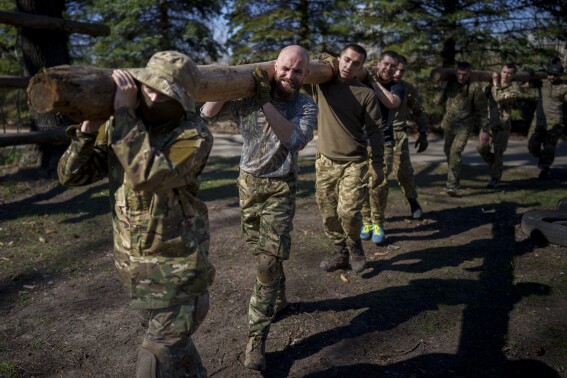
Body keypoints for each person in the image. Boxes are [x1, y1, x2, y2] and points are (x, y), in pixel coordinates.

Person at [57, 51, 215, 377]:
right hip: (136, 273)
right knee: (178, 357)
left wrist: (124, 114)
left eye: (165, 90)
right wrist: (89, 128)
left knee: (154, 362)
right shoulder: (123, 125)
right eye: (149, 86)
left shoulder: (193, 135)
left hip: (178, 276)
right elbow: (71, 175)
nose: (154, 95)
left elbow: (149, 175)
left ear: (182, 98)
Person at [200, 45, 317, 372]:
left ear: (305, 74)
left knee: (266, 261)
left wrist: (266, 100)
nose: (290, 76)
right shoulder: (248, 99)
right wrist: (230, 82)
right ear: (274, 67)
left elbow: (293, 141)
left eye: (297, 71)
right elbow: (207, 114)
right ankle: (278, 298)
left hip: (281, 187)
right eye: (285, 68)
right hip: (248, 185)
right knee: (262, 253)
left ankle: (256, 337)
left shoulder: (305, 106)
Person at [305, 43, 385, 273]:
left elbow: (375, 132)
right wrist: (325, 59)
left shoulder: (366, 94)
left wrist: (377, 164)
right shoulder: (322, 84)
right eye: (346, 59)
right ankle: (340, 253)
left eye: (356, 63)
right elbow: (305, 62)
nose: (349, 66)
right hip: (325, 161)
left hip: (354, 162)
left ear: (361, 66)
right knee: (328, 214)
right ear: (339, 58)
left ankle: (355, 247)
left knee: (348, 212)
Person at [360, 50, 404, 245]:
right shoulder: (363, 78)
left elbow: (392, 102)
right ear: (378, 63)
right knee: (361, 184)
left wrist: (374, 83)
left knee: (379, 185)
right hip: (360, 141)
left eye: (392, 66)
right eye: (385, 64)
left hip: (383, 142)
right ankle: (366, 222)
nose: (388, 68)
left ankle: (378, 223)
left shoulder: (397, 86)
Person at [435, 61, 489, 196]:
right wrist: (442, 88)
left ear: (469, 74)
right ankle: (454, 178)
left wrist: (485, 130)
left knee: (455, 152)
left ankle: (452, 185)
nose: (461, 77)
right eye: (459, 74)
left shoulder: (475, 88)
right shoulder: (450, 84)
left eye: (464, 75)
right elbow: (437, 102)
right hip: (449, 124)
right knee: (448, 151)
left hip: (464, 126)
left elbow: (482, 111)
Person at [476, 63, 520, 188]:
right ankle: (495, 165)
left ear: (513, 75)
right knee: (481, 148)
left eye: (509, 73)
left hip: (502, 125)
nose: (506, 75)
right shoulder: (491, 84)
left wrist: (495, 83)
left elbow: (499, 98)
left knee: (498, 152)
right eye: (504, 72)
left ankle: (495, 178)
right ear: (501, 71)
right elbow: (481, 96)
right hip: (488, 124)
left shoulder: (514, 88)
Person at [527, 62, 567, 180]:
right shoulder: (541, 83)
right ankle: (543, 159)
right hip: (538, 120)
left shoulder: (564, 87)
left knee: (549, 148)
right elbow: (524, 85)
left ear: (559, 75)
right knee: (532, 146)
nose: (551, 77)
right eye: (549, 74)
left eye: (555, 75)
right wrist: (529, 74)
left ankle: (544, 169)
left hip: (555, 122)